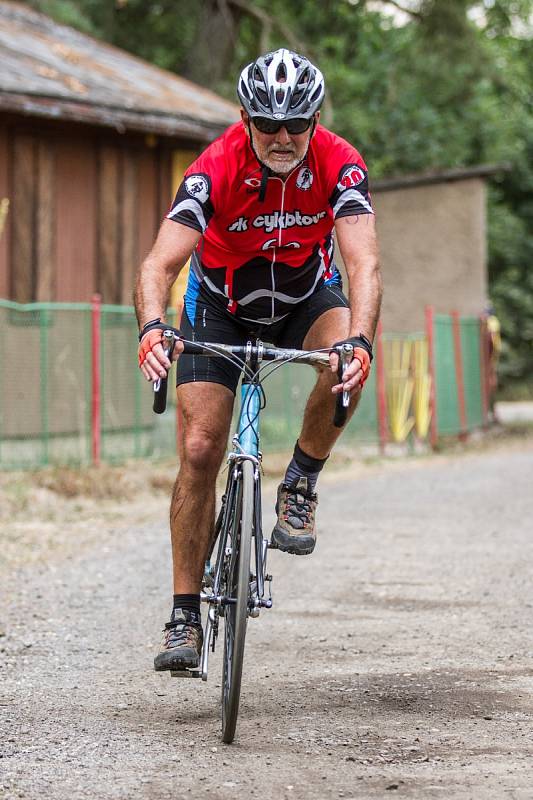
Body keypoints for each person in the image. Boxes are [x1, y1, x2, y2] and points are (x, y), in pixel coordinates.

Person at [134, 48, 382, 672]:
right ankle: (185, 615)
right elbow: (158, 264)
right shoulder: (215, 167)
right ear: (244, 117)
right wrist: (152, 328)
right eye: (267, 124)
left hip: (303, 297)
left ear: (315, 119)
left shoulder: (339, 162)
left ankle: (299, 481)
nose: (282, 137)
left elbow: (364, 264)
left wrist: (362, 338)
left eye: (297, 124)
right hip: (220, 304)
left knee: (343, 354)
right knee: (199, 450)